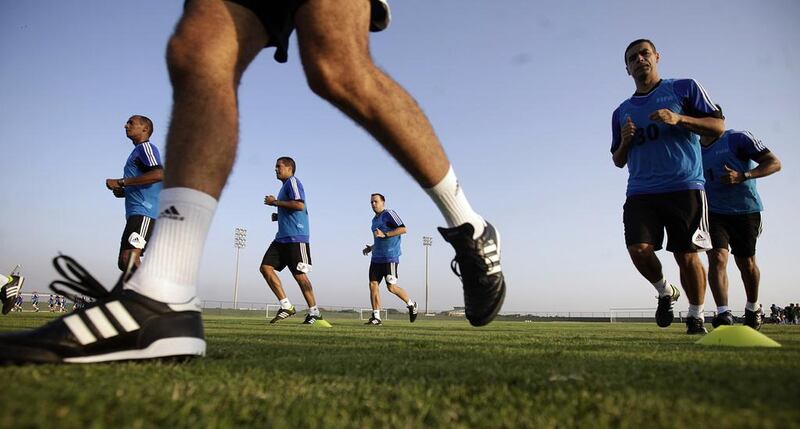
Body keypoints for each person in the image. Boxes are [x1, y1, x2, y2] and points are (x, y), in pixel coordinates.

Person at [0, 0, 504, 364]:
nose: (278, 173)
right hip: (294, 238)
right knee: (196, 50)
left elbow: (330, 211)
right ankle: (161, 298)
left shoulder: (305, 189)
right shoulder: (308, 196)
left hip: (303, 235)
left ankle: (468, 223)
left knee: (336, 65)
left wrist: (284, 203)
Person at [611, 39, 725, 335]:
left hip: (684, 186)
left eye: (644, 54)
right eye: (632, 58)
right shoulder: (621, 111)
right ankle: (665, 291)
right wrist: (625, 141)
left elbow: (718, 127)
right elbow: (617, 161)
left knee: (687, 255)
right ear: (627, 69)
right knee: (638, 249)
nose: (639, 60)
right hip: (640, 192)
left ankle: (696, 315)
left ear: (657, 57)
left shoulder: (684, 88)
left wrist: (679, 119)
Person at [701, 129, 781, 330]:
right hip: (713, 212)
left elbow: (774, 163)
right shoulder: (691, 146)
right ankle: (723, 313)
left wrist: (743, 175)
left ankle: (753, 308)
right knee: (717, 258)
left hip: (745, 211)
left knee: (746, 263)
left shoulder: (737, 138)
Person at [260, 157, 324, 325]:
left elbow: (299, 205)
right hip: (281, 238)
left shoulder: (293, 182)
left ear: (289, 168)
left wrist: (275, 203)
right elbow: (290, 207)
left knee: (300, 277)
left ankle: (314, 312)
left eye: (278, 166)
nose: (275, 169)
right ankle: (286, 306)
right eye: (275, 166)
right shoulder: (283, 188)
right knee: (265, 268)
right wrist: (279, 214)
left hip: (296, 237)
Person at [105, 115, 164, 275]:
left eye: (131, 123)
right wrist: (123, 191)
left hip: (145, 212)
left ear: (145, 129)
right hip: (136, 214)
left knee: (129, 259)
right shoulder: (137, 151)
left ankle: (156, 296)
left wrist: (121, 182)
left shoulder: (146, 148)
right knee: (124, 262)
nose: (126, 125)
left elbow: (158, 174)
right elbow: (146, 182)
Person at [361, 193, 417, 325]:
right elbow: (379, 239)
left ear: (383, 202)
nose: (373, 204)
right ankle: (376, 317)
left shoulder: (389, 214)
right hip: (376, 258)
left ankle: (411, 304)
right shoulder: (374, 220)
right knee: (373, 284)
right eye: (371, 202)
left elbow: (403, 229)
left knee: (391, 287)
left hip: (390, 257)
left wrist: (385, 234)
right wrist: (371, 248)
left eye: (376, 201)